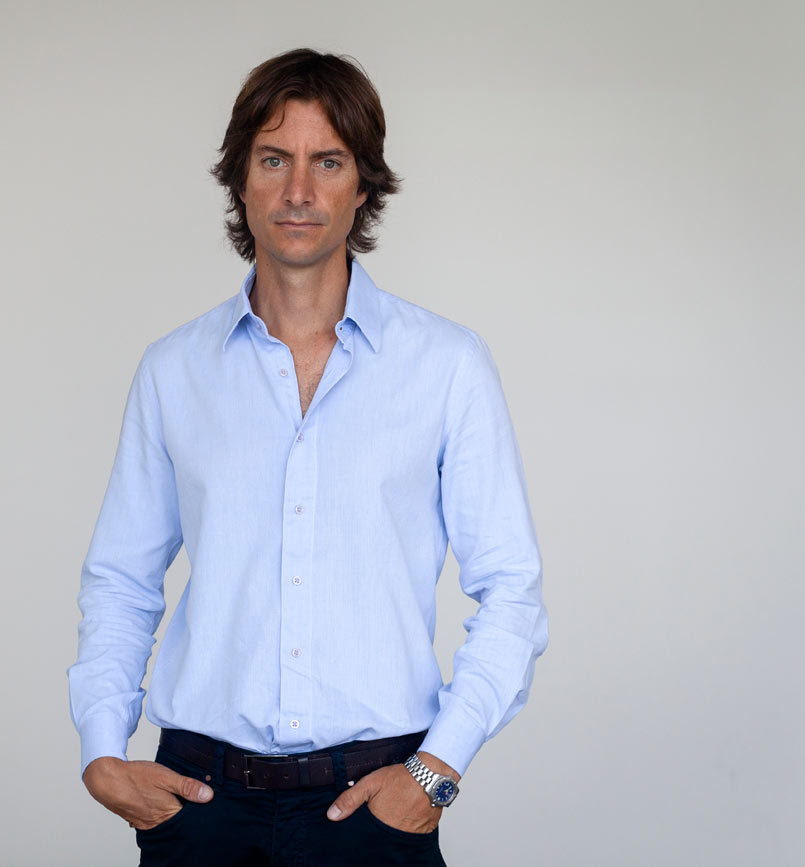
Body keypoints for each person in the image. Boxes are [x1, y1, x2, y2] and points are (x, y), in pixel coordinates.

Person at [67, 47, 548, 866]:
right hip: (199, 806)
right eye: (273, 160)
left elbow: (513, 590)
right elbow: (120, 579)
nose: (298, 190)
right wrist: (102, 750)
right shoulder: (174, 371)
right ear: (240, 178)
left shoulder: (446, 366)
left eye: (327, 161)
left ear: (362, 185)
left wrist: (437, 769)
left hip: (375, 804)